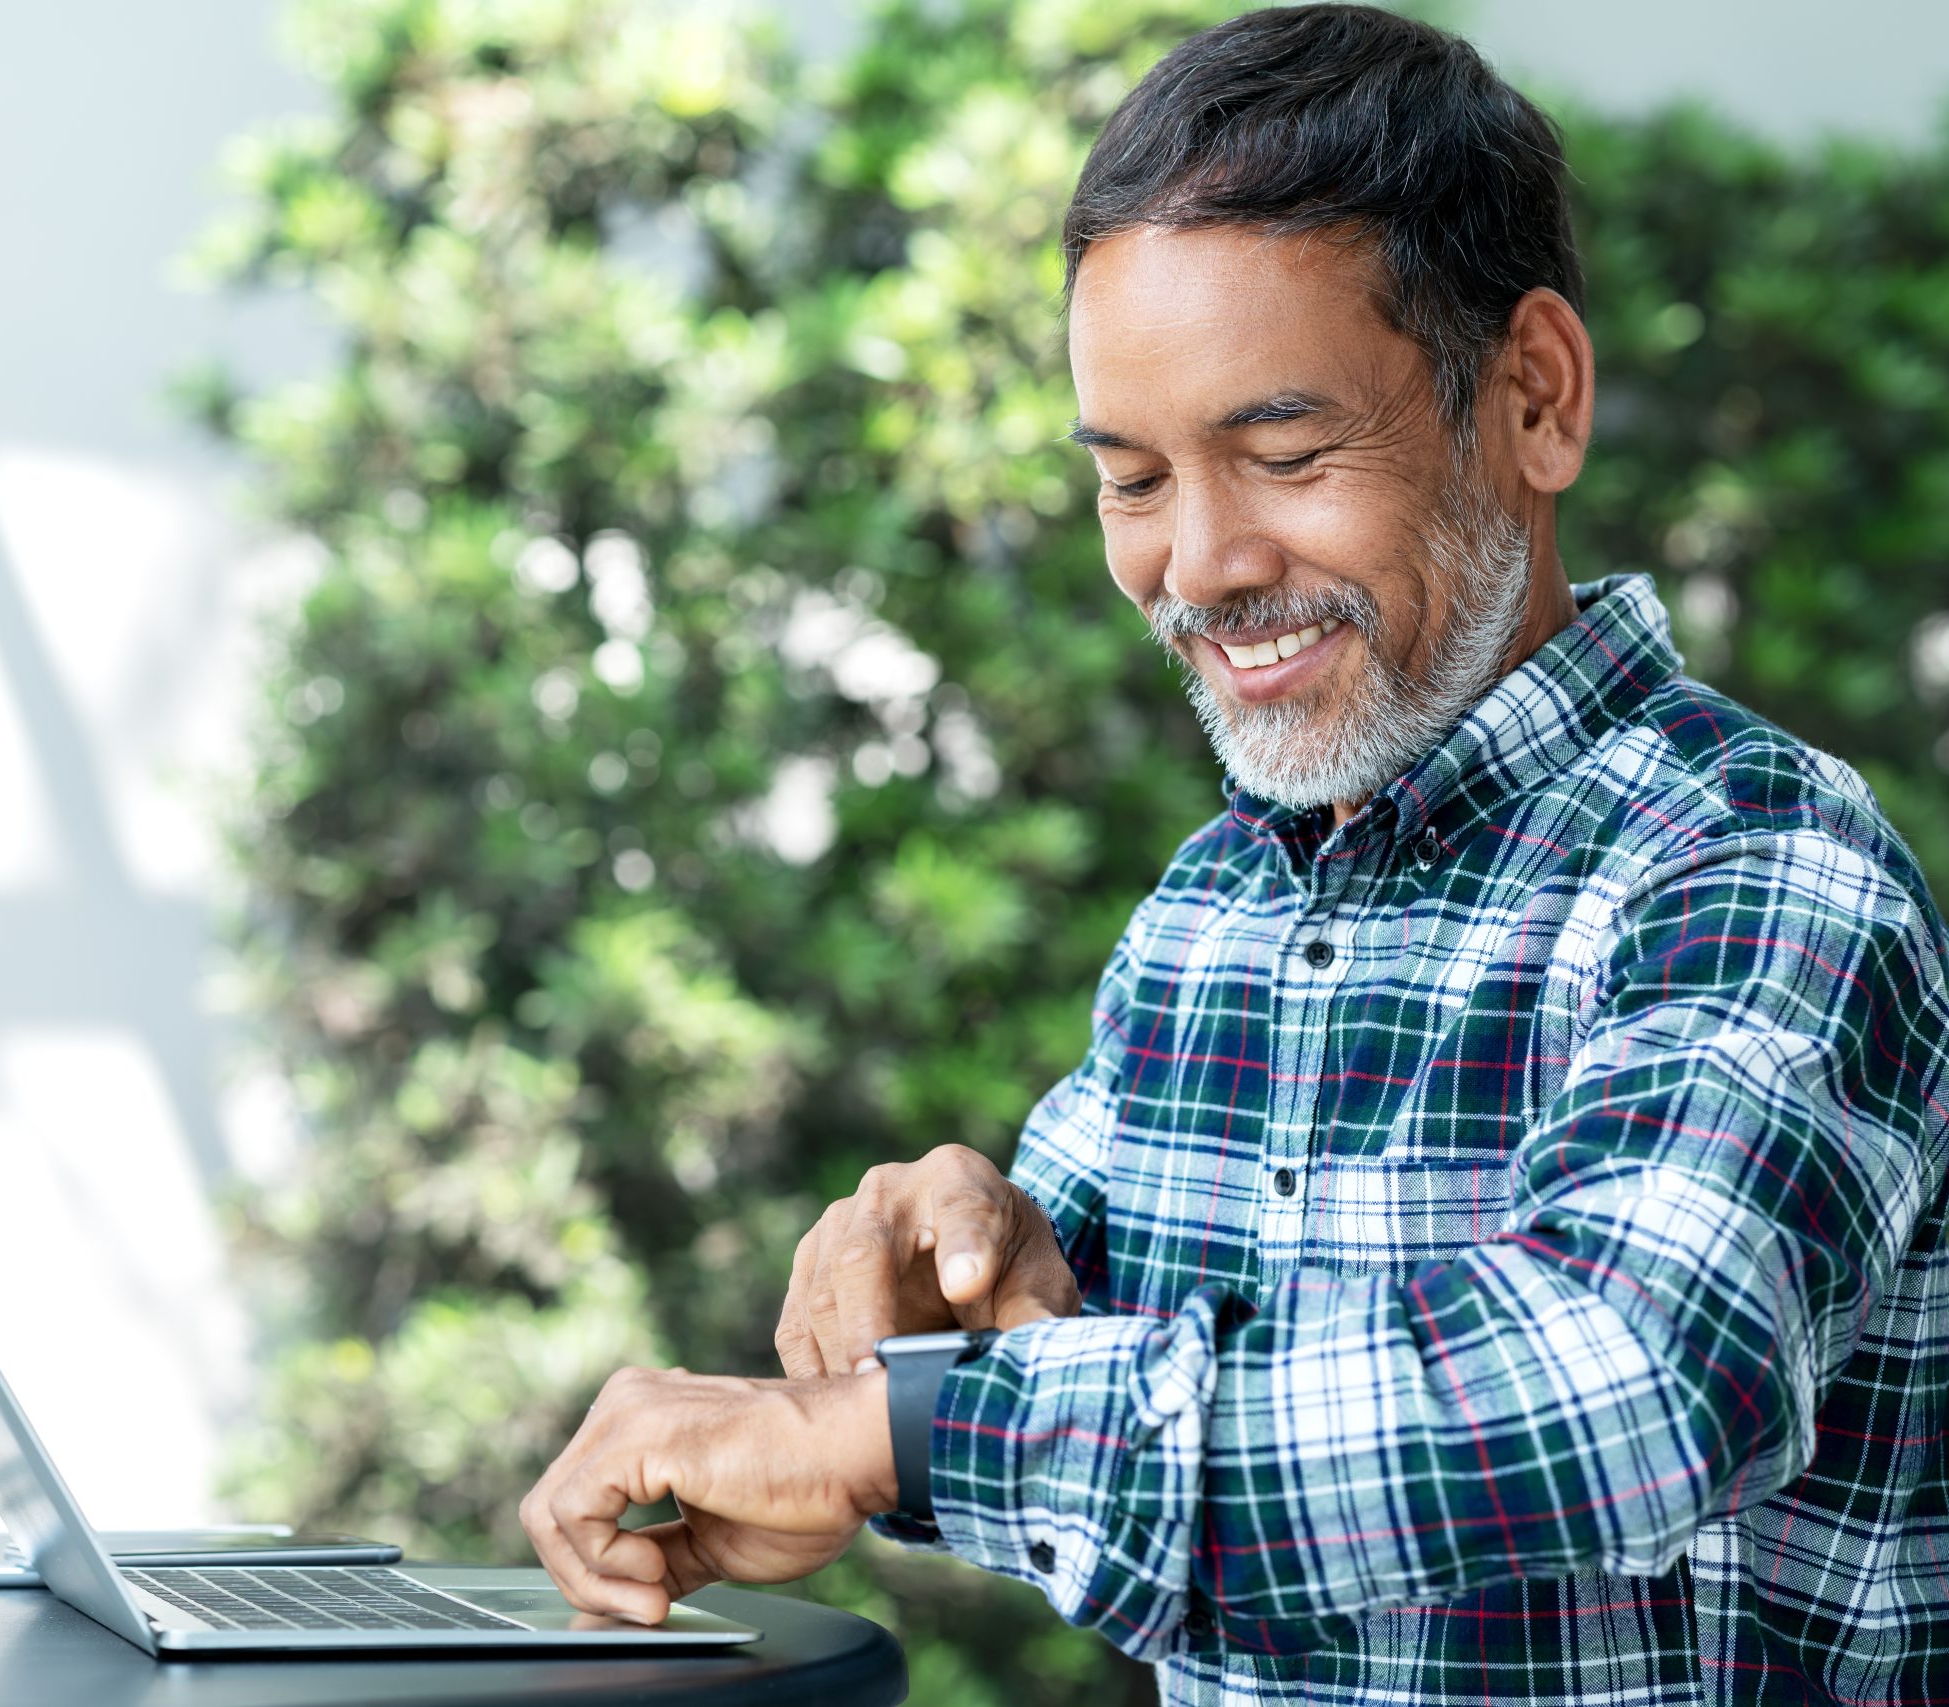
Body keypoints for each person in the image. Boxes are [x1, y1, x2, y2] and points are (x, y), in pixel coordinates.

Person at [516, 5, 1949, 1700]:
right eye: (1131, 481)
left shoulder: (1754, 864)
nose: (1198, 565)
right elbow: (1078, 1388)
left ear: (1535, 401)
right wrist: (940, 1267)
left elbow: (1622, 1391)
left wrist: (891, 1433)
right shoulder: (1210, 917)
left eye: (1284, 454)